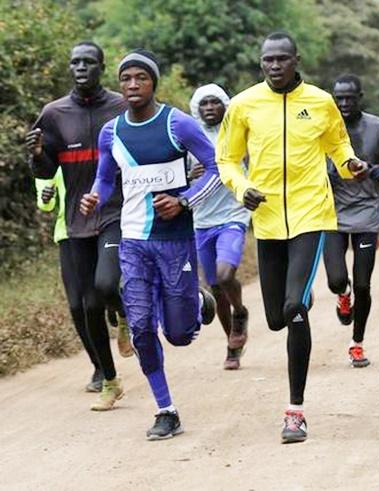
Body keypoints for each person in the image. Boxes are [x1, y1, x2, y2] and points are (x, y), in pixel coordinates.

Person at [217, 32, 368, 443]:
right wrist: (239, 187)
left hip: (310, 215)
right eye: (268, 60)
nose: (275, 66)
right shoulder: (244, 105)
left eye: (282, 59)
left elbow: (338, 145)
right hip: (265, 219)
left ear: (296, 60)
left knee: (294, 311)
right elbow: (227, 160)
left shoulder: (320, 102)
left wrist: (350, 162)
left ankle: (295, 412)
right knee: (275, 318)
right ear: (261, 62)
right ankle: (296, 298)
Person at [80, 49, 219, 440]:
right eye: (126, 79)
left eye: (140, 77)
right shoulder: (112, 132)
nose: (132, 85)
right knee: (140, 326)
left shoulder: (177, 124)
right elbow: (106, 180)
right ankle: (166, 410)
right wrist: (93, 195)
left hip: (175, 241)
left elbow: (217, 167)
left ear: (153, 82)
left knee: (177, 334)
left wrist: (185, 200)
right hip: (134, 241)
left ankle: (197, 301)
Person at [26, 41, 131, 411]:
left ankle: (121, 312)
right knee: (84, 306)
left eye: (88, 62)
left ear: (102, 66)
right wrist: (37, 156)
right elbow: (45, 171)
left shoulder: (122, 106)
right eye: (75, 63)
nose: (81, 68)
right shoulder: (54, 113)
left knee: (104, 286)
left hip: (116, 212)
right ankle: (108, 378)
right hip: (75, 220)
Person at [324, 74, 379, 367]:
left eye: (349, 98)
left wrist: (374, 171)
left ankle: (357, 344)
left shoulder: (377, 128)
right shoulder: (324, 128)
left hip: (367, 215)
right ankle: (342, 296)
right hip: (330, 213)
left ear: (360, 97)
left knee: (364, 284)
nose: (344, 103)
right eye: (338, 98)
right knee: (336, 280)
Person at [188, 84, 251, 370]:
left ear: (225, 106)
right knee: (214, 285)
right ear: (197, 109)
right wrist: (191, 174)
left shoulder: (237, 134)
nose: (210, 108)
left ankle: (240, 313)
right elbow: (177, 180)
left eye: (215, 102)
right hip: (202, 221)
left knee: (226, 275)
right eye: (204, 104)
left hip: (233, 216)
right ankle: (232, 344)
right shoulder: (190, 139)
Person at [35, 170, 107, 392]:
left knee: (104, 288)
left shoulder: (86, 144)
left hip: (101, 227)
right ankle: (100, 367)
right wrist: (46, 198)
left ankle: (121, 315)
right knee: (78, 305)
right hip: (68, 233)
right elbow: (45, 203)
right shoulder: (47, 159)